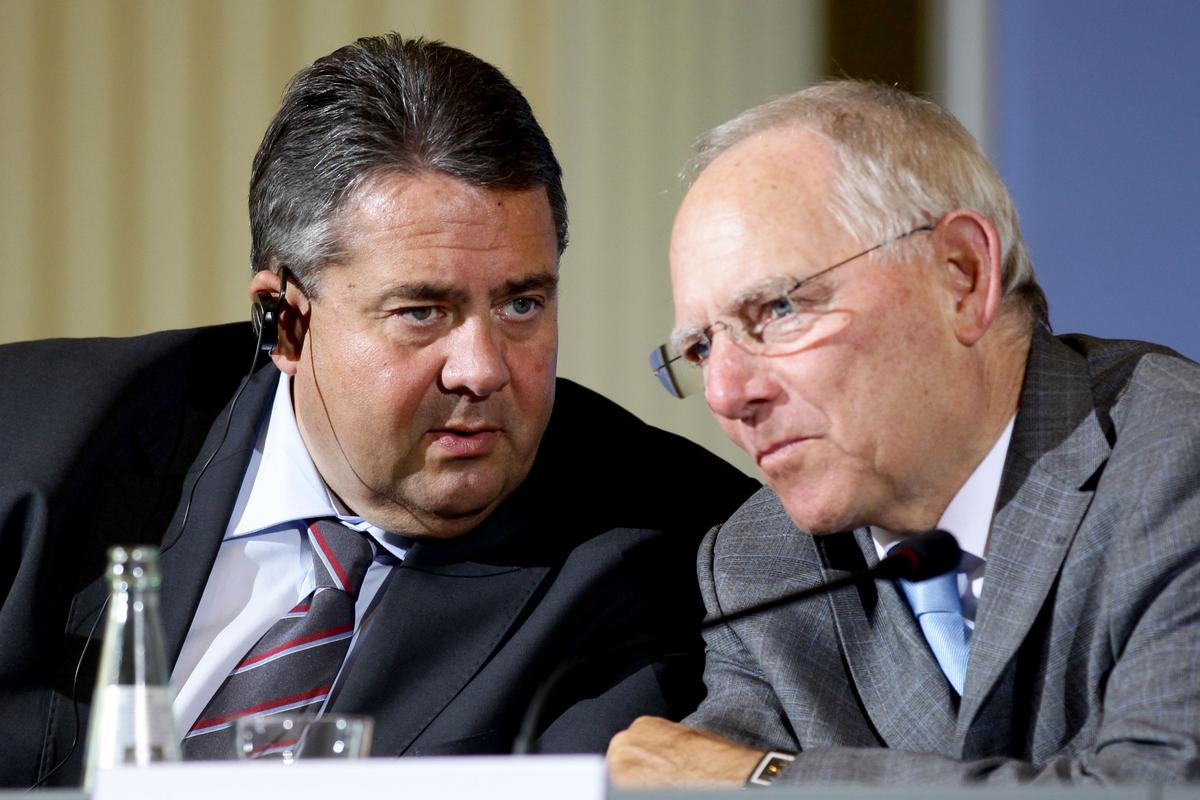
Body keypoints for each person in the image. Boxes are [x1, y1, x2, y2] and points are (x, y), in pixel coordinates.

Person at [0, 35, 757, 787]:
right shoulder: (34, 439)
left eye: (522, 304)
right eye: (422, 312)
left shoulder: (674, 551)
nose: (482, 369)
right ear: (285, 324)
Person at [607, 81, 1200, 786]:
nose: (727, 394)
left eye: (779, 309)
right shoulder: (761, 561)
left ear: (961, 276)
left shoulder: (1174, 462)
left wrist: (774, 781)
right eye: (702, 348)